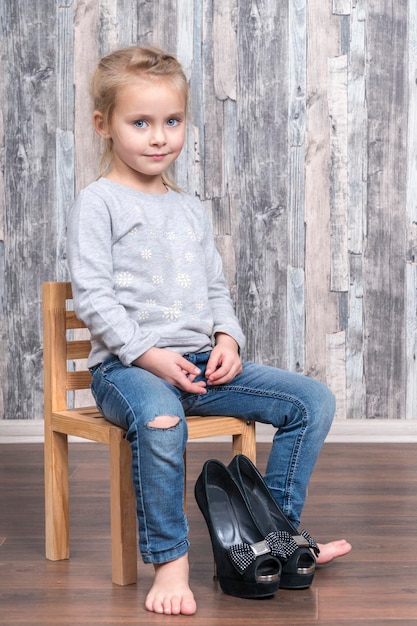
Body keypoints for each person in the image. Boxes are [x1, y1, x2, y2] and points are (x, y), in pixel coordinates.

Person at [67, 45, 351, 616]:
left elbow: (215, 290)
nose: (159, 137)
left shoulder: (191, 209)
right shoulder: (97, 203)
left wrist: (228, 340)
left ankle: (276, 534)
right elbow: (93, 297)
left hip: (200, 362)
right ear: (104, 125)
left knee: (312, 400)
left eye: (171, 121)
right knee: (161, 417)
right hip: (127, 369)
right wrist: (146, 355)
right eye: (140, 122)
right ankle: (170, 563)